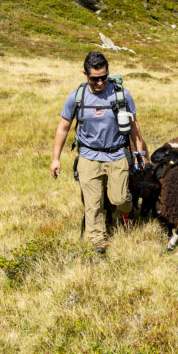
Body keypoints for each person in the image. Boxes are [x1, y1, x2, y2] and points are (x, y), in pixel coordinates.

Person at [51, 51, 149, 254]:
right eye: (95, 78)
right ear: (85, 74)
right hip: (88, 156)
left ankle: (125, 214)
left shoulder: (121, 94)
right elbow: (63, 127)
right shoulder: (77, 97)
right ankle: (98, 241)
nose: (100, 82)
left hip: (117, 154)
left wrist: (140, 154)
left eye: (104, 77)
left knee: (120, 198)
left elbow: (134, 126)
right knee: (93, 204)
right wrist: (55, 159)